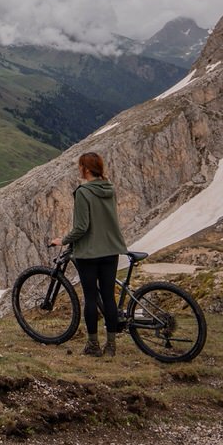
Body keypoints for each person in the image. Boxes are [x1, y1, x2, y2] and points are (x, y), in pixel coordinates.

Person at [51, 152, 128, 357]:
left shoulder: (83, 192)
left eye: (80, 167)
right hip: (111, 250)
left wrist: (63, 240)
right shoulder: (109, 188)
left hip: (90, 253)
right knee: (109, 298)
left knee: (91, 299)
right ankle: (111, 346)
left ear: (85, 168)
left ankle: (93, 346)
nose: (79, 170)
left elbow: (82, 227)